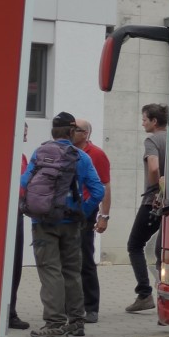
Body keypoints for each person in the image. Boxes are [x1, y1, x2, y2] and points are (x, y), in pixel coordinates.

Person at [20, 111, 104, 337]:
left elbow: (24, 182)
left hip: (43, 222)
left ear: (52, 131)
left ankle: (55, 323)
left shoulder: (40, 152)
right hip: (71, 223)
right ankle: (76, 322)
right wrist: (82, 213)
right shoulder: (82, 157)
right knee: (71, 272)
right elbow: (98, 191)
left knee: (50, 273)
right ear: (71, 132)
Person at [125, 103, 167, 313]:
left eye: (144, 119)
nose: (142, 123)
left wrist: (154, 189)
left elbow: (153, 167)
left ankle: (144, 294)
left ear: (154, 121)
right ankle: (166, 296)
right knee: (163, 249)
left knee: (134, 245)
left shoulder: (152, 140)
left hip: (153, 201)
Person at [73, 118, 111, 323]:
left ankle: (91, 307)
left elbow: (105, 186)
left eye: (75, 129)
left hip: (86, 212)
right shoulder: (67, 152)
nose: (71, 132)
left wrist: (104, 216)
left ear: (86, 133)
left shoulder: (96, 154)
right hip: (68, 213)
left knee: (86, 259)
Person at [7, 122, 31, 331]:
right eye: (23, 131)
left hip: (17, 215)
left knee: (15, 266)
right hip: (5, 216)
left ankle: (10, 311)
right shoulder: (6, 155)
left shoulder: (22, 157)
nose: (25, 135)